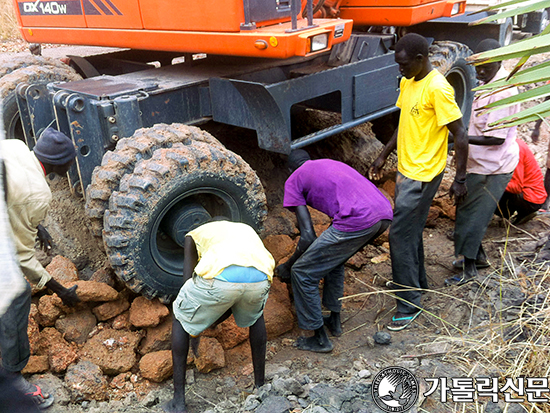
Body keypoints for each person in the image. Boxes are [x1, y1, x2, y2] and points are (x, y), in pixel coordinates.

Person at [369, 33, 468, 331]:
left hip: (424, 174)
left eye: (403, 64)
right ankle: (418, 284)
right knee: (408, 231)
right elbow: (404, 123)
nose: (399, 69)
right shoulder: (408, 82)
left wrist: (460, 178)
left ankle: (408, 303)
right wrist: (383, 155)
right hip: (407, 169)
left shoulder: (438, 88)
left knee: (399, 235)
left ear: (421, 60)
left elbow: (460, 135)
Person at [277, 150, 392, 352]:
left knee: (302, 273)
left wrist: (289, 265)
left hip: (358, 219)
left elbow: (307, 237)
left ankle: (320, 339)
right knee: (333, 261)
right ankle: (335, 322)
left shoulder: (293, 179)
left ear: (290, 170)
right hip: (383, 213)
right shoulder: (328, 162)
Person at [0, 128, 80, 409]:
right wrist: (58, 290)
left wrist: (36, 225)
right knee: (17, 293)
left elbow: (12, 194)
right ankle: (13, 373)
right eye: (70, 163)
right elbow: (21, 256)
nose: (71, 167)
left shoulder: (18, 146)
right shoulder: (37, 193)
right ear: (60, 165)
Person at [163, 219, 274, 413]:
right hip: (260, 277)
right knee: (256, 317)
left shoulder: (194, 234)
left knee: (180, 316)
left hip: (222, 278)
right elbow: (237, 292)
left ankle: (178, 401)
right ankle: (260, 386)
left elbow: (188, 281)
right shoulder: (244, 228)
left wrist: (194, 327)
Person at [445, 39, 521, 286]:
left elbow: (495, 137)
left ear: (499, 61)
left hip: (493, 166)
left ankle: (469, 272)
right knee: (468, 212)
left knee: (472, 217)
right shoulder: (488, 82)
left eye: (485, 67)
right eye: (477, 66)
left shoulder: (505, 92)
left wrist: (459, 137)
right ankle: (477, 258)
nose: (479, 71)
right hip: (480, 162)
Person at [495, 138, 546, 224]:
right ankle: (511, 214)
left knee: (489, 188)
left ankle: (510, 213)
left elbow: (516, 187)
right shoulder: (513, 143)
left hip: (531, 198)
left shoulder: (514, 149)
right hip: (532, 196)